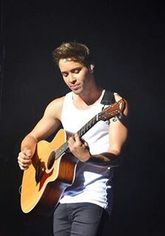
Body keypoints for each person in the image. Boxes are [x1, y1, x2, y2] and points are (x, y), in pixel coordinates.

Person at [17, 41, 128, 236]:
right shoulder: (59, 105)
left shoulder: (114, 103)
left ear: (90, 67)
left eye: (76, 71)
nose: (71, 79)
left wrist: (88, 157)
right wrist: (26, 152)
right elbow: (32, 136)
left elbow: (117, 154)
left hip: (93, 197)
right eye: (65, 74)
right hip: (60, 196)